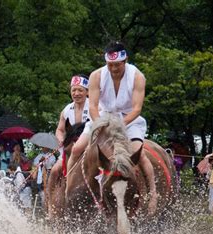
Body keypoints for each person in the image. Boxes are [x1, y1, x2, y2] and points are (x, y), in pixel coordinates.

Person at [67, 41, 158, 215]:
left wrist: (117, 126)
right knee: (77, 148)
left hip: (129, 120)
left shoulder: (137, 76)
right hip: (101, 117)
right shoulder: (96, 75)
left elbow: (137, 108)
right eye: (110, 65)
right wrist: (102, 125)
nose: (114, 68)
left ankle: (153, 193)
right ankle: (69, 188)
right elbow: (93, 106)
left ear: (125, 61)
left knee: (139, 152)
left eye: (117, 65)